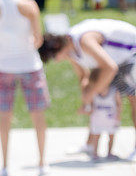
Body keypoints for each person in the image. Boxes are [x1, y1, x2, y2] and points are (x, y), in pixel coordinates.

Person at [0, 0, 48, 176]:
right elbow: (38, 39)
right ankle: (41, 162)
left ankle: (4, 165)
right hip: (30, 64)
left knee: (4, 117)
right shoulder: (29, 5)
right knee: (37, 115)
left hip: (4, 66)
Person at [39, 18, 136, 161]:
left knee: (133, 100)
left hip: (130, 54)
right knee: (96, 97)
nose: (56, 61)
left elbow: (110, 68)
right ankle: (90, 144)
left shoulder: (84, 40)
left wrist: (90, 94)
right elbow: (83, 76)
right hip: (118, 61)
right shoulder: (70, 50)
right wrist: (87, 102)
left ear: (57, 46)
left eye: (54, 57)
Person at [85, 68, 121, 161]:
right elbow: (90, 104)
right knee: (97, 137)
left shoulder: (114, 91)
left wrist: (118, 115)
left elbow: (118, 104)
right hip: (97, 119)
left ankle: (109, 152)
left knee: (111, 136)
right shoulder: (94, 93)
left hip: (111, 119)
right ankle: (95, 153)